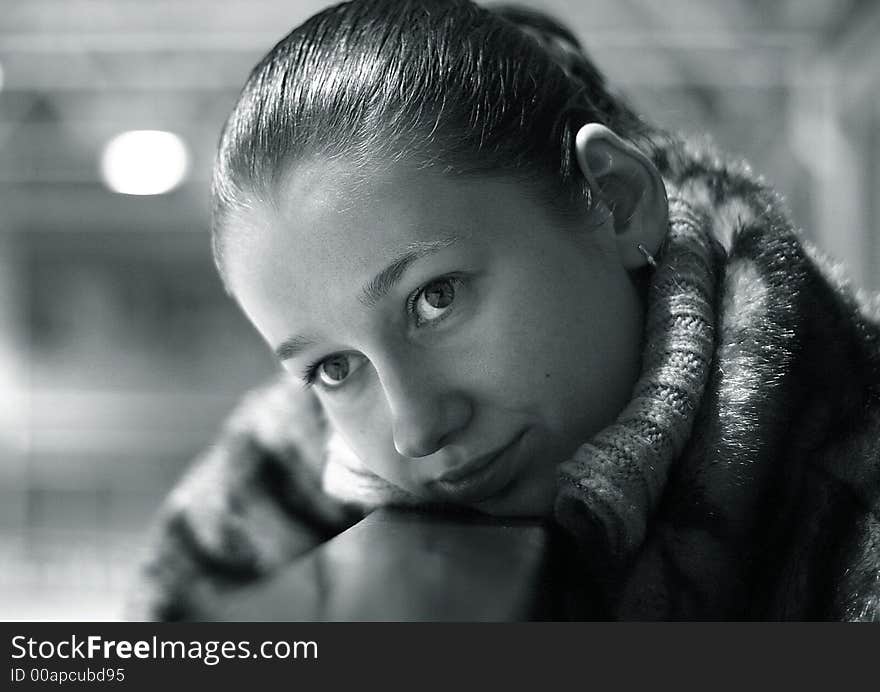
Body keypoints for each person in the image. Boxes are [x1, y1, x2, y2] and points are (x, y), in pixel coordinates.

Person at [126, 0, 880, 621]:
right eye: (333, 368)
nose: (417, 429)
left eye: (435, 297)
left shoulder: (852, 499)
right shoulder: (267, 510)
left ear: (617, 201)